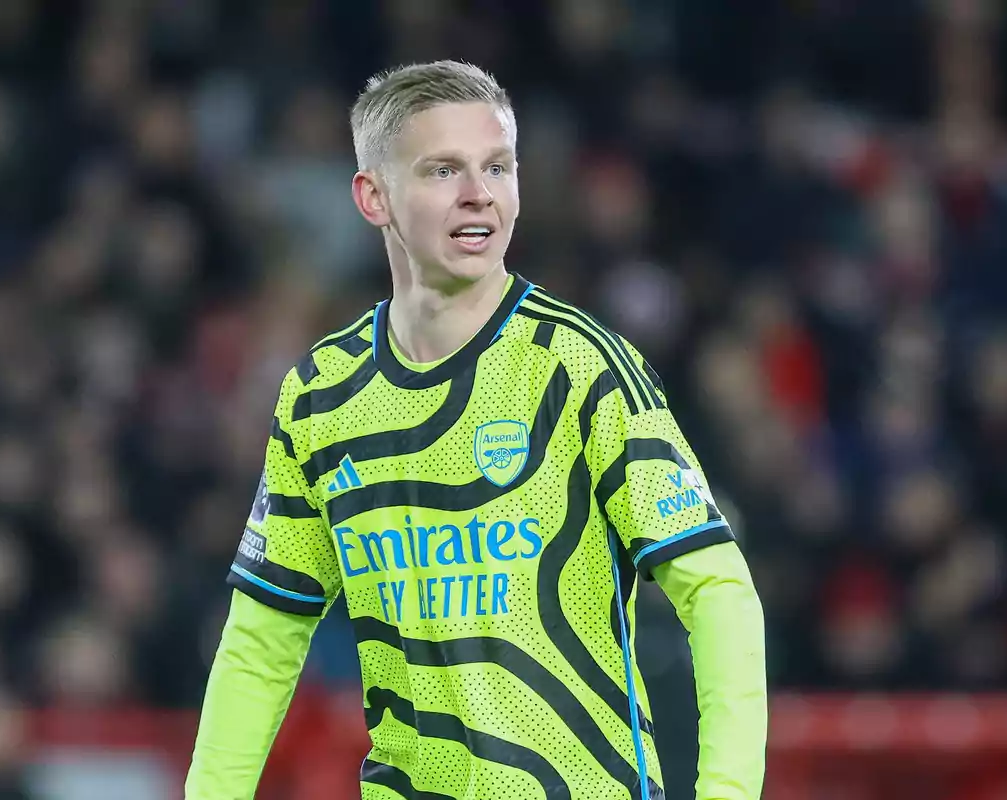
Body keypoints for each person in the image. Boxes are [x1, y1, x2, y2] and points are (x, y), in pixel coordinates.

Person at [185, 60, 767, 800]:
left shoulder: (578, 366)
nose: (479, 194)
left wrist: (726, 792)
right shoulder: (320, 397)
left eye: (497, 167)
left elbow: (718, 591)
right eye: (442, 170)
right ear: (374, 197)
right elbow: (262, 640)